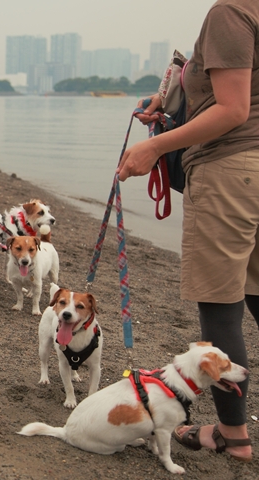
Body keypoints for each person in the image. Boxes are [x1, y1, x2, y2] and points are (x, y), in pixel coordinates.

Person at [117, 0, 258, 461]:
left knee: (221, 310)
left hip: (230, 174)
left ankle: (231, 436)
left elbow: (234, 110)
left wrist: (155, 147)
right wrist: (172, 102)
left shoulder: (229, 13)